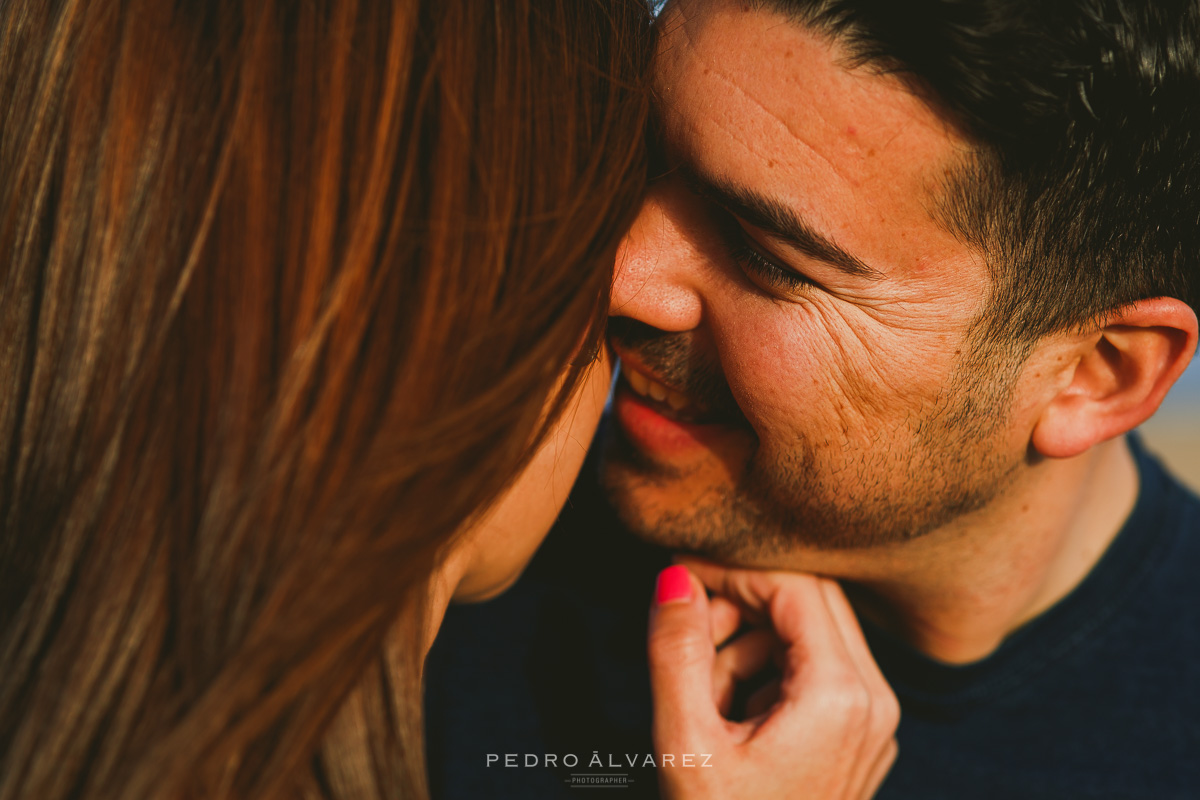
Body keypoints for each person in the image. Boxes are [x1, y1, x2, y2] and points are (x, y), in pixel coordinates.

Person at [425, 0, 1200, 797]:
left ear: (1097, 375)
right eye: (640, 156)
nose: (620, 277)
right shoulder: (440, 558)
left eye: (768, 258)